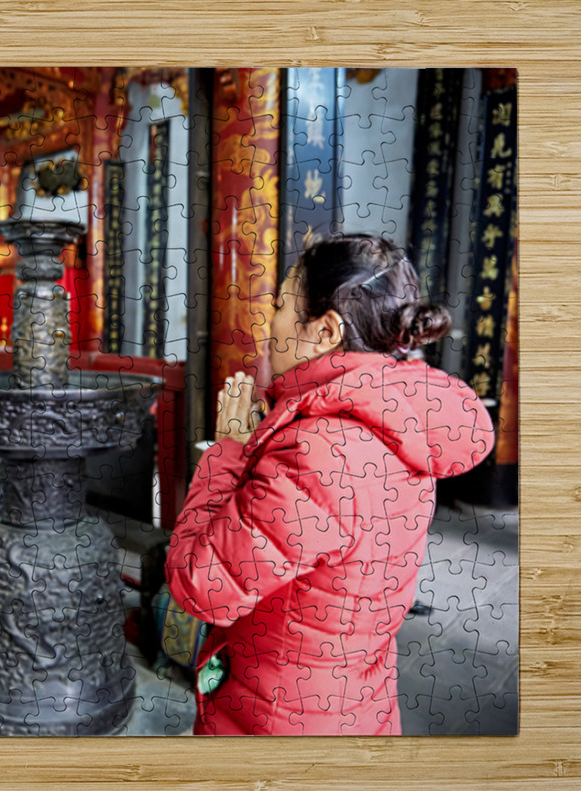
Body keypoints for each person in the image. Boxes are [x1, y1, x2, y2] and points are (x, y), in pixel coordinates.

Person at [166, 234, 495, 735]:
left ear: (324, 332)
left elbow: (202, 586)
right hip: (355, 697)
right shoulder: (404, 416)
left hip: (280, 717)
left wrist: (226, 455)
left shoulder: (318, 453)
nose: (268, 321)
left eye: (279, 306)